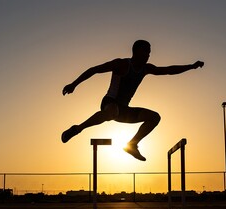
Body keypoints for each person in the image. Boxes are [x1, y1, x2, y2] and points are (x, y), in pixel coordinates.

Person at [62, 40, 204, 161]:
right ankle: (77, 129)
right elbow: (94, 70)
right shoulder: (121, 64)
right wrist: (74, 84)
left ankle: (132, 144)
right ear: (135, 52)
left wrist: (191, 66)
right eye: (145, 52)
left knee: (154, 117)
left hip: (124, 110)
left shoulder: (146, 69)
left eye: (149, 52)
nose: (148, 55)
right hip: (109, 103)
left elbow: (168, 70)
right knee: (112, 111)